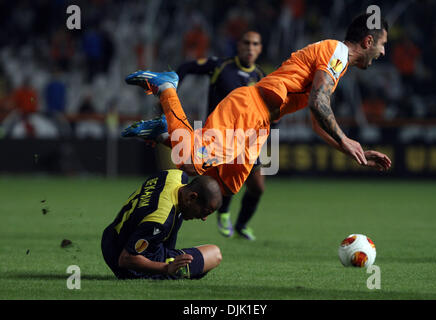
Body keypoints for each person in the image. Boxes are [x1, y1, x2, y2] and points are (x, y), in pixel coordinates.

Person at [122, 13, 392, 201]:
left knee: (224, 185)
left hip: (259, 124)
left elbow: (316, 120)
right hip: (249, 107)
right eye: (382, 45)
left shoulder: (337, 64)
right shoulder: (336, 52)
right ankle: (167, 87)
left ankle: (163, 133)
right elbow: (318, 102)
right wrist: (346, 139)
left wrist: (350, 150)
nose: (383, 53)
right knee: (192, 162)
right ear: (368, 42)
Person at [175, 31, 265, 240]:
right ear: (238, 45)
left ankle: (241, 225)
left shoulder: (260, 76)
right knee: (205, 178)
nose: (250, 47)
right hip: (218, 138)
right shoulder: (221, 66)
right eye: (246, 42)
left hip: (248, 140)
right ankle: (219, 214)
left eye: (255, 44)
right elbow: (187, 67)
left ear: (260, 49)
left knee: (258, 187)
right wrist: (173, 87)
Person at [101, 169, 223, 280]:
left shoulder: (175, 175)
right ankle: (168, 268)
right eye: (205, 212)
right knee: (214, 254)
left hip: (112, 235)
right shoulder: (160, 221)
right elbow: (126, 259)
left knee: (178, 212)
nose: (204, 218)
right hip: (125, 260)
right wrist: (166, 268)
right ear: (192, 197)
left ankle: (168, 255)